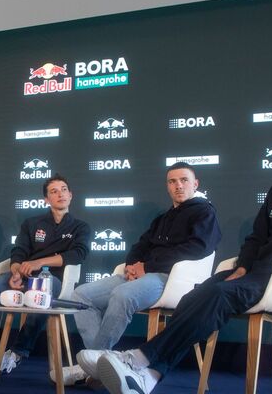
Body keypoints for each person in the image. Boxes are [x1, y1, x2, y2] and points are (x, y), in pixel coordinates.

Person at [79, 114, 272, 394]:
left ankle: (138, 359)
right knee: (194, 297)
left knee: (218, 296)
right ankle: (149, 376)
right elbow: (257, 236)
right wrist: (242, 265)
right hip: (255, 274)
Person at [55, 162, 221, 385]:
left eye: (184, 180)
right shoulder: (163, 217)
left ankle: (92, 365)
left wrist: (148, 266)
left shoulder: (204, 212)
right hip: (142, 275)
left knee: (124, 294)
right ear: (168, 186)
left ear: (195, 184)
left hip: (170, 279)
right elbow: (141, 245)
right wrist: (133, 265)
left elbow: (198, 248)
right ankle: (99, 363)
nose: (178, 186)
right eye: (172, 182)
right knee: (81, 296)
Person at [0, 174, 91, 379]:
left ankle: (18, 352)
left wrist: (40, 262)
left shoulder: (80, 226)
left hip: (54, 279)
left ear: (71, 195)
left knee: (40, 297)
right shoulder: (32, 223)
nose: (60, 194)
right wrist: (15, 271)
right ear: (46, 199)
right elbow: (19, 251)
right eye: (54, 191)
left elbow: (78, 254)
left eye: (64, 189)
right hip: (25, 274)